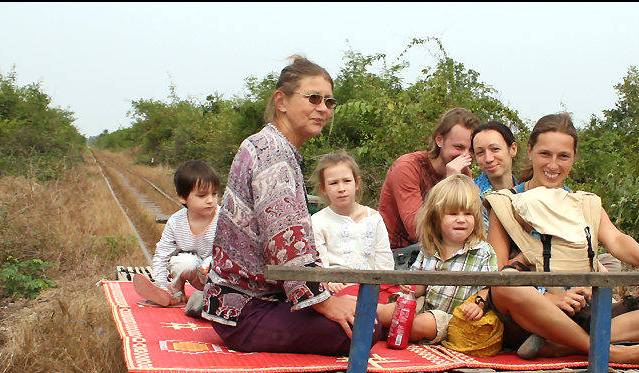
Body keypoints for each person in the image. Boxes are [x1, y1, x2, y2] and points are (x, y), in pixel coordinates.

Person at [201, 55, 378, 355]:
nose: (323, 108)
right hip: (247, 310)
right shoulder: (275, 155)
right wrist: (324, 302)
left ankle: (203, 303)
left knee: (356, 311)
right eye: (313, 98)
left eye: (329, 101)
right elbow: (286, 247)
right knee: (365, 329)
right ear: (281, 101)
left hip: (245, 299)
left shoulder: (265, 143)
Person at [484, 114, 639, 368]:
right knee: (506, 286)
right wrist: (548, 299)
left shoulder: (584, 203)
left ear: (574, 157)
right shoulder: (506, 202)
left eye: (563, 156)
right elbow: (496, 271)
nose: (553, 165)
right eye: (545, 154)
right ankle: (612, 353)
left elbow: (617, 240)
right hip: (529, 315)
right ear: (530, 151)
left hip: (582, 308)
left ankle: (559, 345)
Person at [376, 174, 498, 345]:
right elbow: (420, 286)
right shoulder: (430, 249)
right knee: (389, 311)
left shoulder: (482, 251)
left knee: (421, 323)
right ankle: (370, 319)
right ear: (436, 218)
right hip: (424, 304)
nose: (461, 219)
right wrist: (410, 287)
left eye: (468, 213)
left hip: (454, 317)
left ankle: (386, 331)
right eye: (453, 213)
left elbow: (489, 287)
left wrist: (479, 304)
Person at [378, 107, 481, 250]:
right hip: (397, 255)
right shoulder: (407, 167)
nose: (465, 156)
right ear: (439, 140)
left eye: (471, 151)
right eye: (458, 147)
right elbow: (417, 230)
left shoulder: (464, 173)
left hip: (438, 251)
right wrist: (449, 183)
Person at [133, 160, 220, 314]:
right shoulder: (176, 221)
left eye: (214, 194)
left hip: (218, 274)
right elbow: (162, 254)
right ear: (183, 198)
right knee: (184, 262)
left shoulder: (224, 218)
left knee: (213, 267)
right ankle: (176, 290)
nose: (210, 200)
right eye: (202, 195)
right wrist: (160, 283)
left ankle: (206, 300)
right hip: (194, 271)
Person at [310, 150, 396, 302]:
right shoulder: (318, 221)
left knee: (402, 301)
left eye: (346, 181)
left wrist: (382, 284)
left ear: (357, 183)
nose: (341, 188)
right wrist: (329, 281)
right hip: (337, 287)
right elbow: (320, 264)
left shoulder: (374, 218)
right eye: (333, 183)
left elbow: (385, 262)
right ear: (323, 188)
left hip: (372, 285)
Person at [471, 121, 519, 231]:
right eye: (480, 152)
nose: (488, 159)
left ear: (513, 149)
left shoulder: (527, 192)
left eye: (495, 149)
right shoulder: (469, 196)